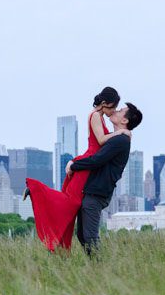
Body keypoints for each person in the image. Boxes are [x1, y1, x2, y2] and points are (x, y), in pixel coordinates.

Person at [24, 87, 130, 251]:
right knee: (69, 201)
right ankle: (36, 189)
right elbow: (101, 141)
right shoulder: (95, 115)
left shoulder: (99, 117)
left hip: (90, 164)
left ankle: (36, 191)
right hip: (89, 163)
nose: (114, 111)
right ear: (104, 104)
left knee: (71, 202)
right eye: (113, 107)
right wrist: (122, 132)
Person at [66, 102, 143, 255]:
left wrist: (73, 165)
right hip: (93, 192)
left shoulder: (120, 141)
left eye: (121, 110)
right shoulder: (116, 138)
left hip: (97, 194)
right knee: (82, 236)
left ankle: (99, 268)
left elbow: (96, 160)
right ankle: (95, 269)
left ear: (125, 121)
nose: (116, 110)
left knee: (90, 236)